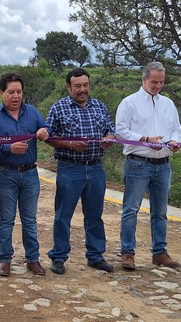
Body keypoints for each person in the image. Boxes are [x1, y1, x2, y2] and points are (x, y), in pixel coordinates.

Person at [44, 68, 116, 274]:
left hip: (95, 168)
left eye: (85, 85)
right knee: (63, 215)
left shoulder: (100, 106)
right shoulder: (58, 108)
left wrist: (109, 139)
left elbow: (110, 130)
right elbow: (48, 136)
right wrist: (69, 145)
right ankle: (58, 256)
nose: (82, 89)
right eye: (78, 86)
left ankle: (95, 255)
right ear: (69, 87)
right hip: (70, 168)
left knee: (94, 214)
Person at [115, 61, 181, 270]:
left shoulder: (168, 104)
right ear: (144, 79)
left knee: (160, 211)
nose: (158, 85)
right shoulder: (129, 103)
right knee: (131, 209)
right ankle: (128, 253)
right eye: (154, 81)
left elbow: (177, 129)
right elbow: (121, 131)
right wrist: (145, 139)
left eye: (161, 82)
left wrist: (174, 142)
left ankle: (160, 252)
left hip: (163, 165)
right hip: (138, 164)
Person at [0, 73, 50, 277]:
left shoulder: (32, 112)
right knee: (6, 219)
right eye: (11, 92)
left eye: (19, 92)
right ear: (2, 92)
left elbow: (45, 127)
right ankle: (5, 260)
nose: (16, 96)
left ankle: (33, 259)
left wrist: (44, 131)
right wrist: (8, 147)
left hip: (30, 173)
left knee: (30, 219)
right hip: (5, 173)